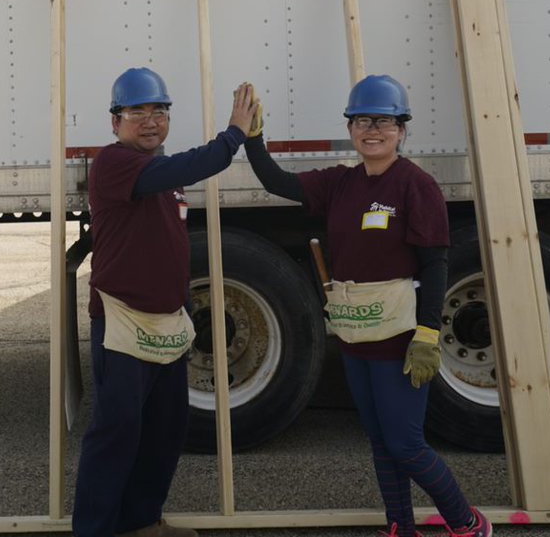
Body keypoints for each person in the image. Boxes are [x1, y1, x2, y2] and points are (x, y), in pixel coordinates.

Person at [243, 74, 491, 537]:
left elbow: (435, 265)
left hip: (399, 338)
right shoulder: (340, 183)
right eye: (361, 120)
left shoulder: (416, 187)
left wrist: (428, 333)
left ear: (401, 128)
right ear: (351, 127)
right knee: (380, 440)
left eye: (383, 121)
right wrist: (255, 139)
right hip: (357, 335)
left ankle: (467, 523)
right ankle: (400, 526)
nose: (371, 130)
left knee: (406, 443)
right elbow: (276, 181)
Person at [73, 67, 258, 537]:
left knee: (163, 435)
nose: (151, 120)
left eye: (160, 110)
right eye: (138, 111)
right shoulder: (115, 164)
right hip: (123, 324)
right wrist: (234, 134)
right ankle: (94, 530)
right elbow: (188, 166)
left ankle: (142, 522)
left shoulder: (159, 172)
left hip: (167, 324)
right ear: (115, 122)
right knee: (116, 436)